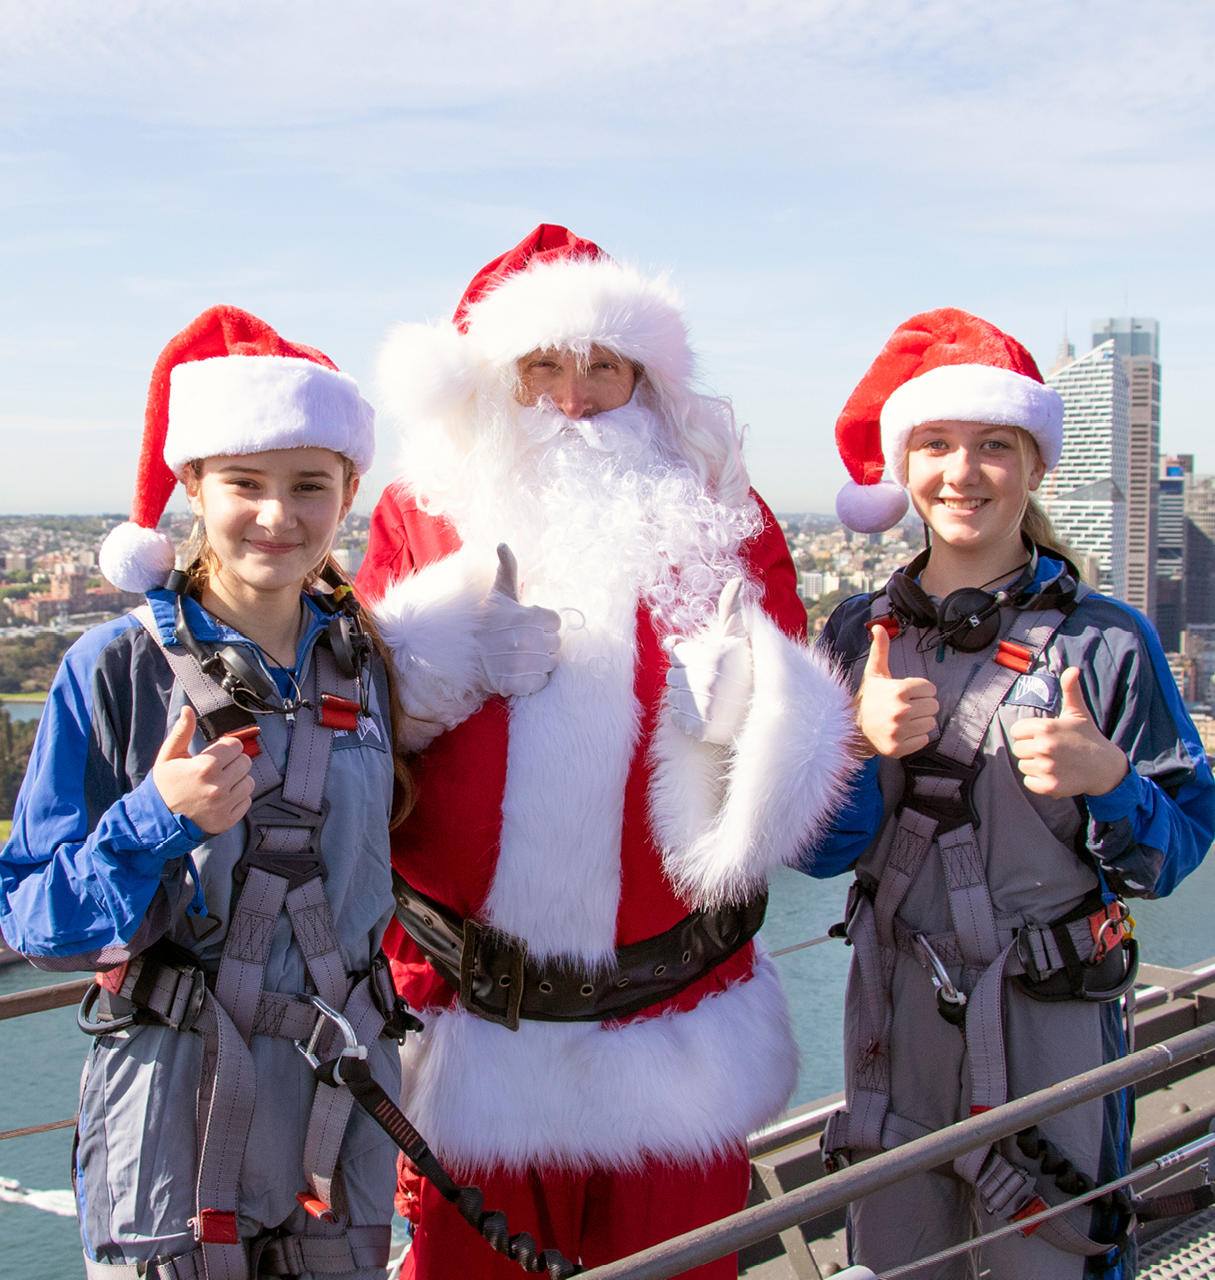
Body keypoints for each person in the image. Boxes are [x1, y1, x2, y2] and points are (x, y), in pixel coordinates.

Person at [353, 224, 859, 1278]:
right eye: (540, 366)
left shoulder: (724, 512)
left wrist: (751, 707)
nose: (574, 398)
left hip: (678, 1021)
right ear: (495, 379)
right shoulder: (415, 512)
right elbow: (356, 731)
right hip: (471, 1021)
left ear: (647, 378)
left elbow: (798, 750)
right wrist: (432, 663)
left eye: (603, 367)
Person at [808, 309, 1215, 1280]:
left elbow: (1174, 847)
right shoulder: (855, 634)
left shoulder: (1106, 643)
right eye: (937, 444)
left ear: (1033, 465)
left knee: (1053, 1259)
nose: (963, 471)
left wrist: (1107, 781)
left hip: (1051, 1019)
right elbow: (816, 851)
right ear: (903, 466)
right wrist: (856, 747)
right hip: (895, 1015)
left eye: (995, 444)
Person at [0, 306, 403, 1280]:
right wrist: (152, 820)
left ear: (348, 489)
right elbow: (29, 914)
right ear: (193, 488)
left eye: (309, 485)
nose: (277, 514)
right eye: (244, 484)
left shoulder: (365, 664)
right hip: (176, 1116)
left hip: (333, 1107)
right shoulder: (114, 669)